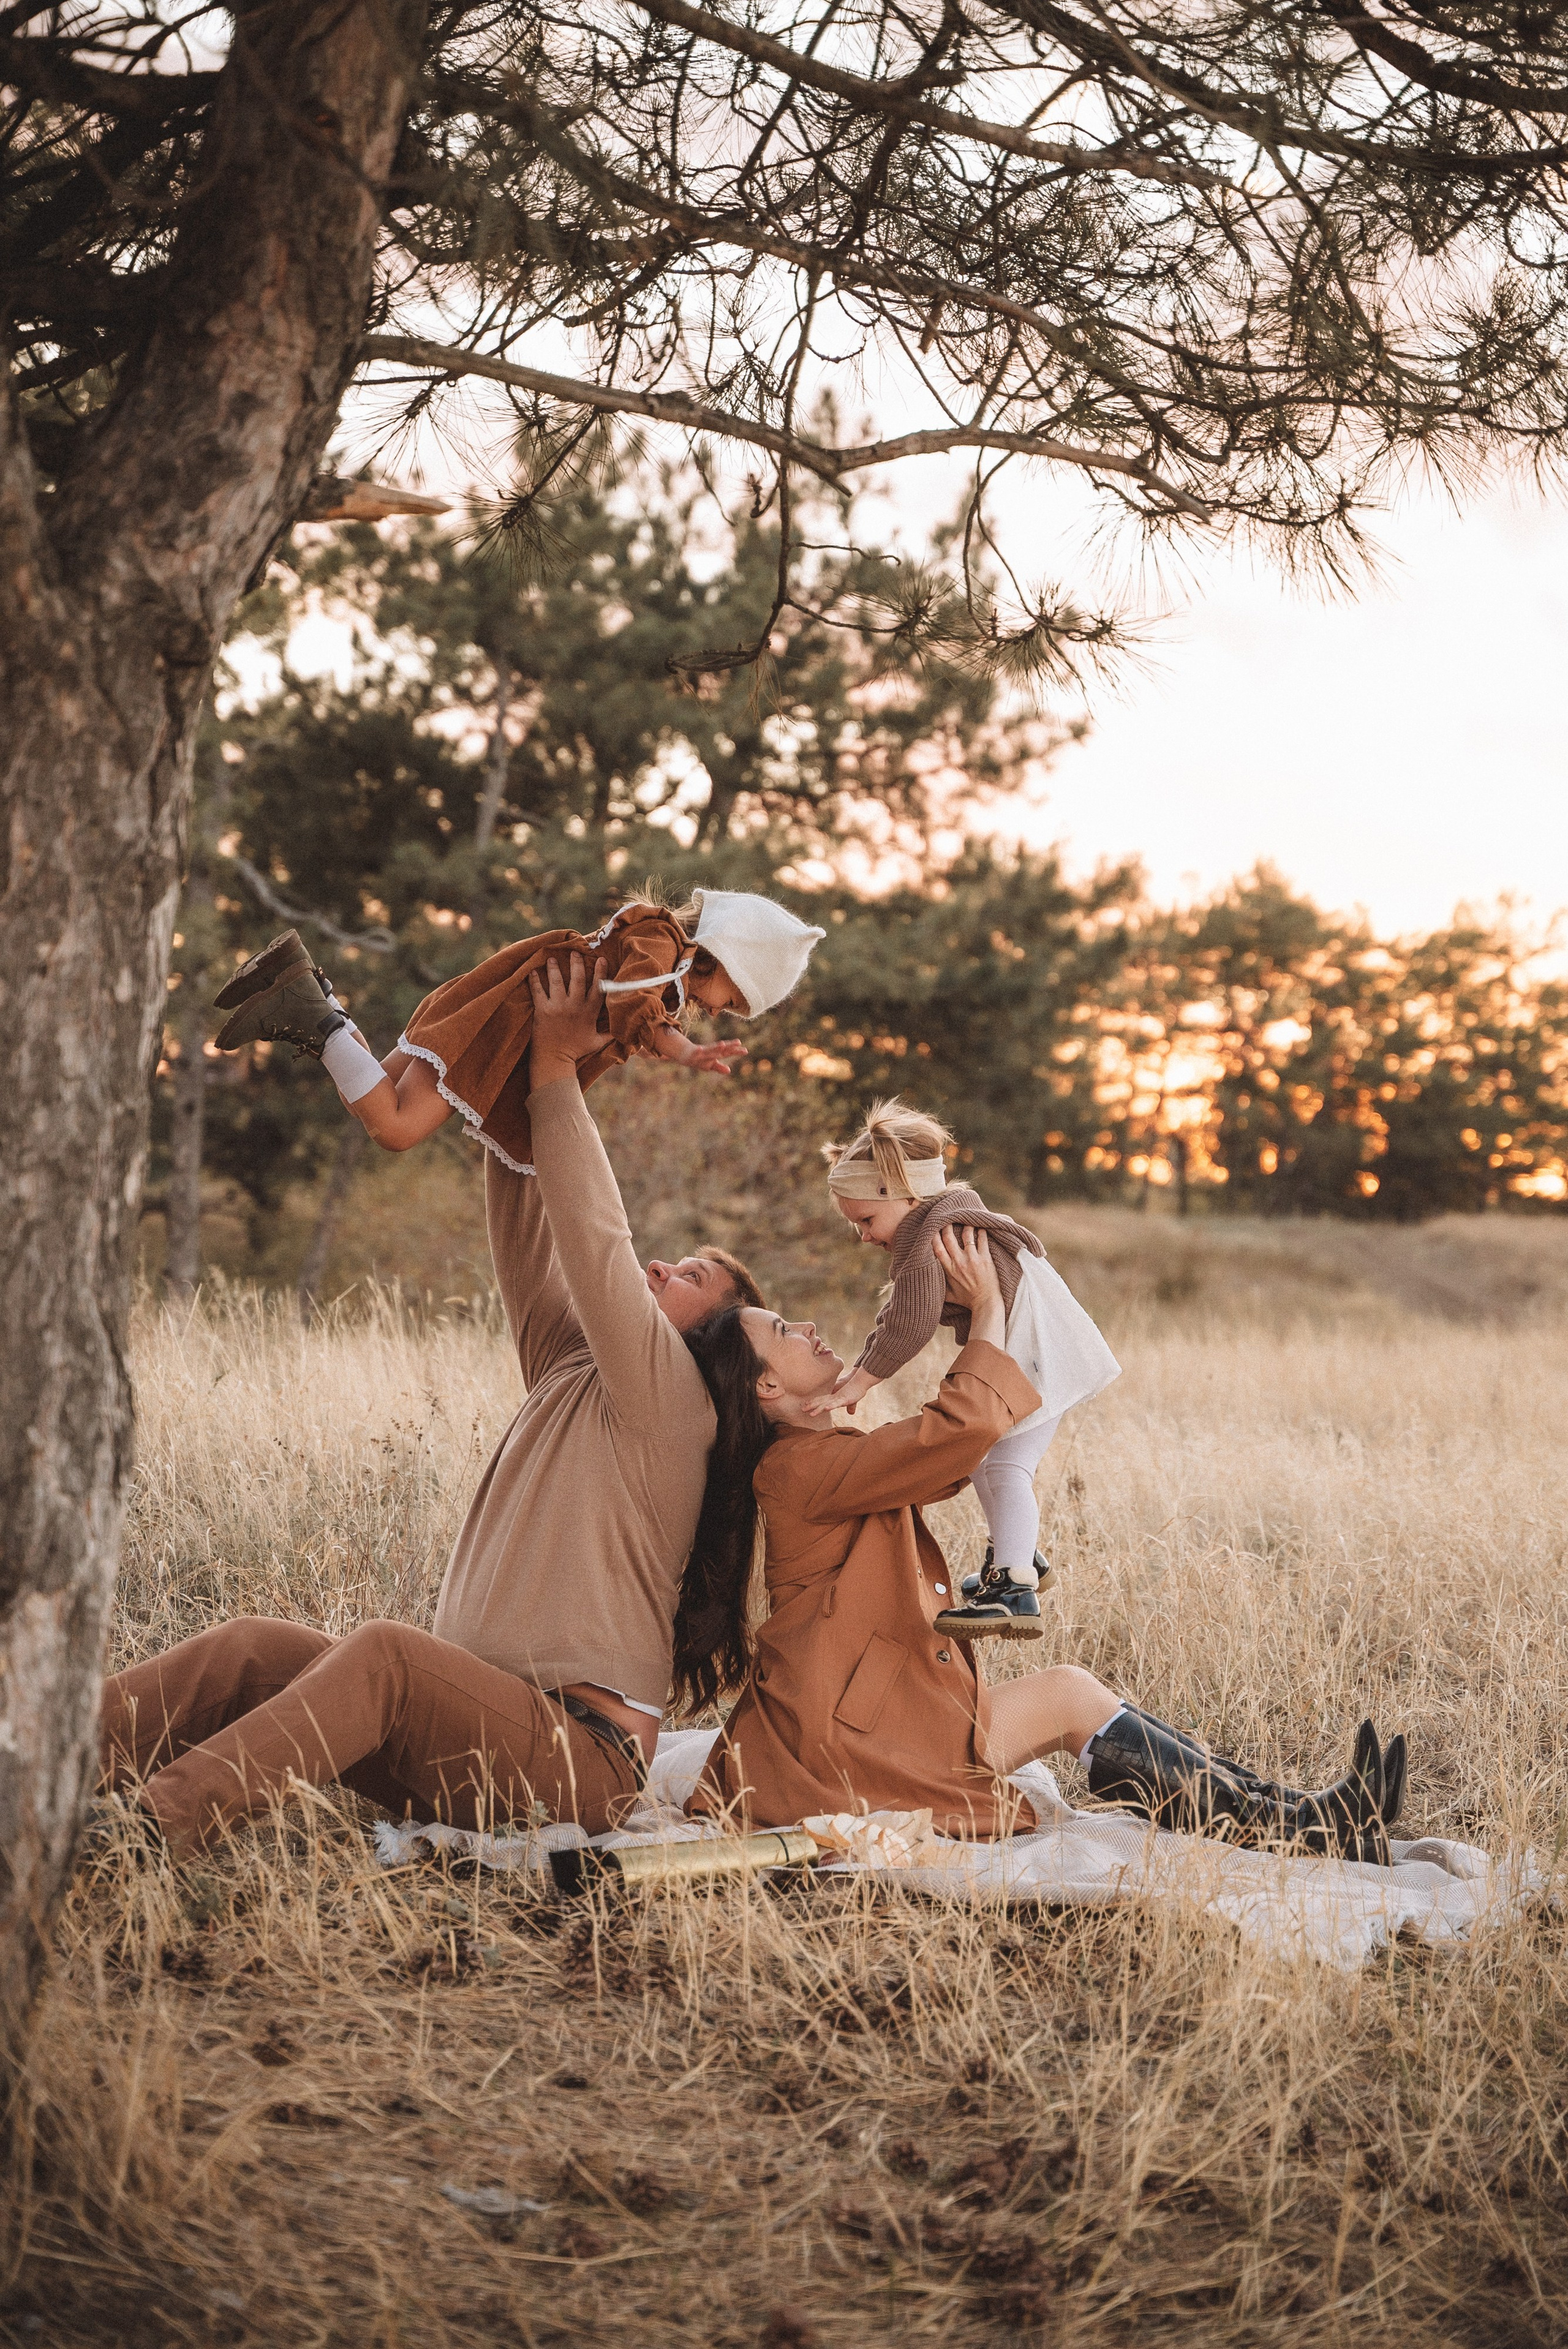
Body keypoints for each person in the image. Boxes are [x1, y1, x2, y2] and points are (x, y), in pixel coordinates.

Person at [96, 958, 766, 1860]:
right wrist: (523, 1066)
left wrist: (563, 1075)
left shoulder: (676, 1405)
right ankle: (46, 1761)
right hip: (478, 1729)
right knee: (254, 1647)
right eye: (672, 1258)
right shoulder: (577, 1365)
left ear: (714, 1338)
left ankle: (142, 1830)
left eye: (689, 1276)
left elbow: (599, 1236)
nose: (659, 1269)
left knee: (386, 1654)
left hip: (576, 1764)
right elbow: (532, 1214)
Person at [686, 1225, 1406, 1858]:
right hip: (848, 1743)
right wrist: (992, 1307)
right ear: (768, 1389)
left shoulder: (822, 1457)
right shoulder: (797, 1467)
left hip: (870, 1720)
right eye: (783, 1330)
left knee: (1068, 1692)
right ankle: (1302, 1823)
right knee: (1066, 1694)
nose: (807, 1326)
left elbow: (938, 1463)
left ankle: (1304, 1815)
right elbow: (955, 1433)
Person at [208, 885, 825, 1172]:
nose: (720, 1009)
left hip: (486, 1011)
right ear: (723, 954)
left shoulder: (655, 951)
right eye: (734, 998)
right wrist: (688, 1052)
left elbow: (632, 1010)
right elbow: (639, 1012)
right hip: (494, 1028)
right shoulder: (659, 947)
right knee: (395, 1128)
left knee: (376, 1094)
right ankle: (312, 1015)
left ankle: (310, 994)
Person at [815, 1099, 1120, 1640]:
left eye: (866, 1219)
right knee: (985, 1458)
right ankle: (1019, 1555)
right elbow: (901, 1310)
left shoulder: (935, 1234)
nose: (863, 1235)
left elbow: (908, 1322)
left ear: (905, 1195)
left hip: (1039, 1352)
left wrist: (859, 1381)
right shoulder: (941, 1220)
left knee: (1003, 1468)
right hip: (1041, 1346)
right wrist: (862, 1364)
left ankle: (1016, 1586)